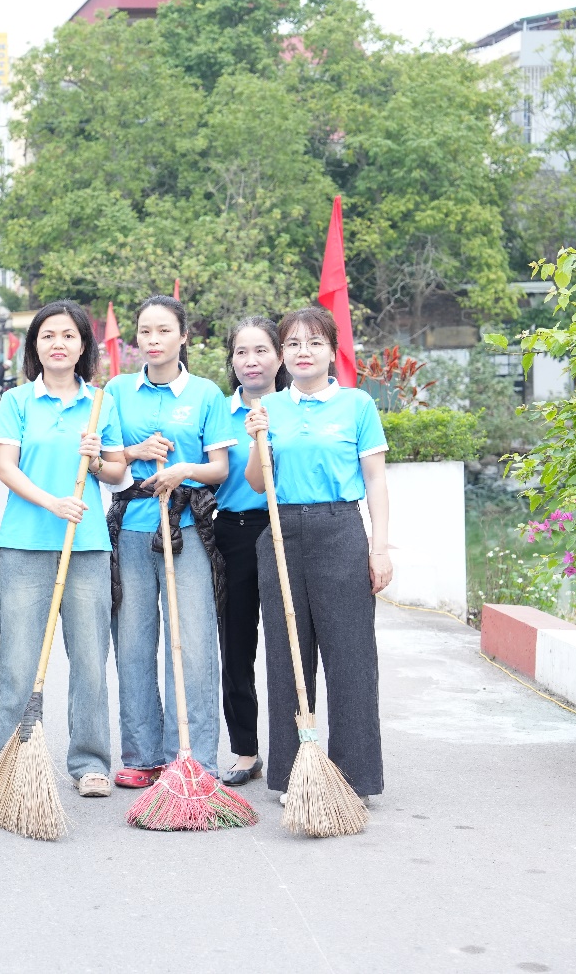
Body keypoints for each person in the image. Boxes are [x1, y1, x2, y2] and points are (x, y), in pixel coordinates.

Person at [244, 306, 391, 802]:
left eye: (313, 343)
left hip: (340, 529)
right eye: (292, 344)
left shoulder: (357, 406)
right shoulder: (269, 408)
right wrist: (255, 438)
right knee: (287, 661)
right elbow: (258, 483)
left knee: (350, 657)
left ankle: (356, 777)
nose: (302, 352)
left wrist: (379, 548)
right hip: (282, 532)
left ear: (332, 350)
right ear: (283, 355)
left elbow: (375, 481)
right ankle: (292, 775)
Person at [0, 302, 128, 798]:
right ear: (34, 347)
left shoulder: (100, 404)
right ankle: (14, 758)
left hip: (87, 548)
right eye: (48, 335)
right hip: (25, 545)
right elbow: (7, 468)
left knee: (90, 658)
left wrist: (95, 461)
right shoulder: (17, 402)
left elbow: (118, 474)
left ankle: (90, 762)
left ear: (83, 345)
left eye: (68, 336)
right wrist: (53, 503)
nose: (58, 344)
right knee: (19, 660)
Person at [104, 295, 235, 788]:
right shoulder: (116, 391)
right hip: (133, 528)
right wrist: (135, 451)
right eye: (144, 332)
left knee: (193, 644)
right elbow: (107, 463)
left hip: (188, 531)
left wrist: (183, 469)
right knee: (134, 644)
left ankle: (196, 759)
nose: (153, 340)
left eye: (163, 331)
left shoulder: (206, 394)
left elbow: (220, 469)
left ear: (183, 337)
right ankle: (141, 756)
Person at [215, 317, 288, 787]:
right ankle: (245, 751)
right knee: (236, 647)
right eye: (242, 352)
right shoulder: (218, 411)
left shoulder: (295, 407)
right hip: (233, 534)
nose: (251, 361)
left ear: (279, 356)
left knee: (289, 646)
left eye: (261, 350)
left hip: (284, 531)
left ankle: (296, 749)